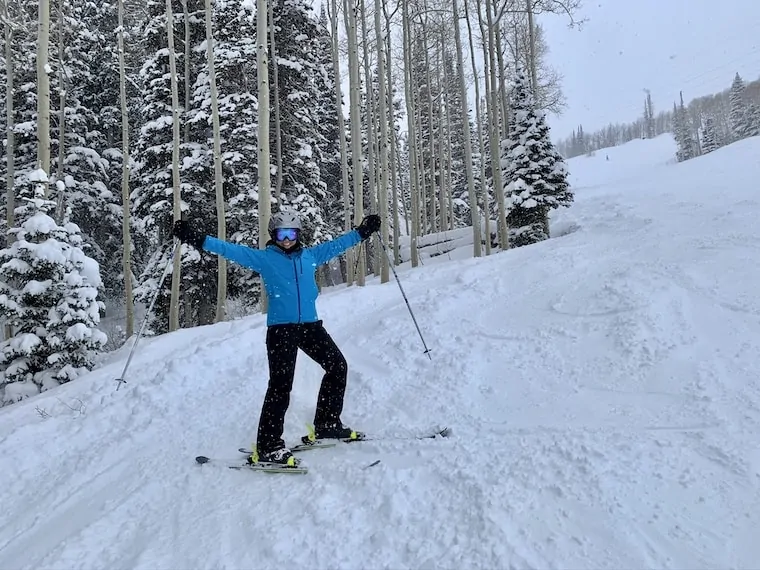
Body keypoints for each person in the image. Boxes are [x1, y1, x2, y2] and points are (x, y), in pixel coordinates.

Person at [172, 211, 381, 468]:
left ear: (298, 235)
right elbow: (227, 249)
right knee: (281, 386)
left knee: (337, 366)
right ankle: (269, 446)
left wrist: (362, 232)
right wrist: (196, 238)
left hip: (310, 326)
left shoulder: (310, 256)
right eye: (281, 234)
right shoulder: (265, 259)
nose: (286, 239)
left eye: (291, 234)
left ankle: (327, 424)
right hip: (281, 330)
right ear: (274, 235)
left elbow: (338, 245)